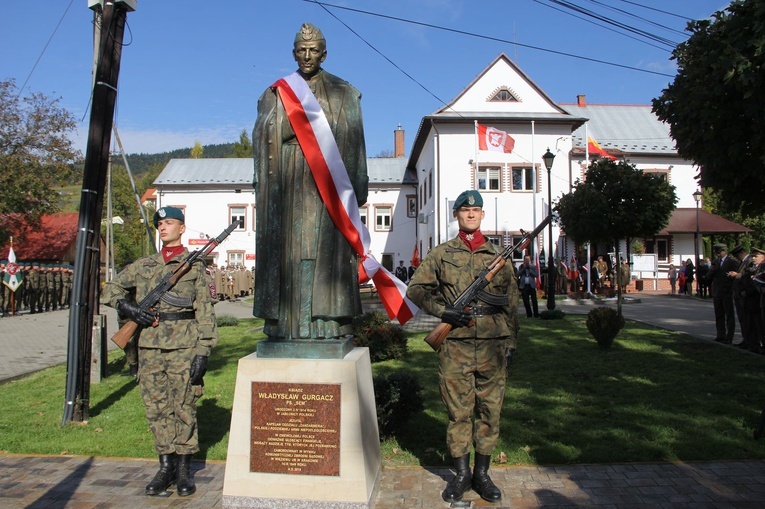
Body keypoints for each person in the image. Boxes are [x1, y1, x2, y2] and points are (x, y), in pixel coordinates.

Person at [252, 22, 368, 342]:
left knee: (324, 253)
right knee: (289, 252)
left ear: (324, 54)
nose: (307, 56)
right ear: (293, 53)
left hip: (328, 185)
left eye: (313, 50)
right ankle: (286, 325)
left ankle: (327, 323)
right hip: (287, 182)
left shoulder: (343, 92)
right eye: (301, 50)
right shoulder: (276, 92)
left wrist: (357, 187)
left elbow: (355, 138)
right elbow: (263, 134)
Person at [406, 190, 519, 503]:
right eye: (465, 210)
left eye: (476, 210)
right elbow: (416, 290)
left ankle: (482, 474)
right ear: (456, 214)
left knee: (490, 411)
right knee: (458, 412)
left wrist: (511, 341)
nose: (471, 214)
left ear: (482, 215)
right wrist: (444, 312)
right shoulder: (441, 254)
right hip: (455, 343)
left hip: (494, 346)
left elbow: (510, 302)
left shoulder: (498, 257)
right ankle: (462, 474)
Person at [103, 206, 218, 497]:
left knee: (184, 406)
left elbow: (204, 311)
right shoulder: (143, 266)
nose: (163, 227)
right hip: (149, 347)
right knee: (156, 407)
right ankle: (165, 466)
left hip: (183, 346)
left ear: (182, 228)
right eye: (160, 223)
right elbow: (110, 289)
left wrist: (203, 350)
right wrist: (127, 307)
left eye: (170, 223)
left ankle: (183, 469)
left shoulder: (194, 267)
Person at [709, 244, 737, 344]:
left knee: (729, 315)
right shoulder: (715, 262)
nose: (718, 254)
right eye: (716, 252)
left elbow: (735, 277)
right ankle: (720, 335)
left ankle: (729, 337)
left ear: (725, 251)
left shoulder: (732, 262)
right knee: (719, 315)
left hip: (727, 292)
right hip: (717, 292)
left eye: (719, 252)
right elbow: (709, 277)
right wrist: (712, 271)